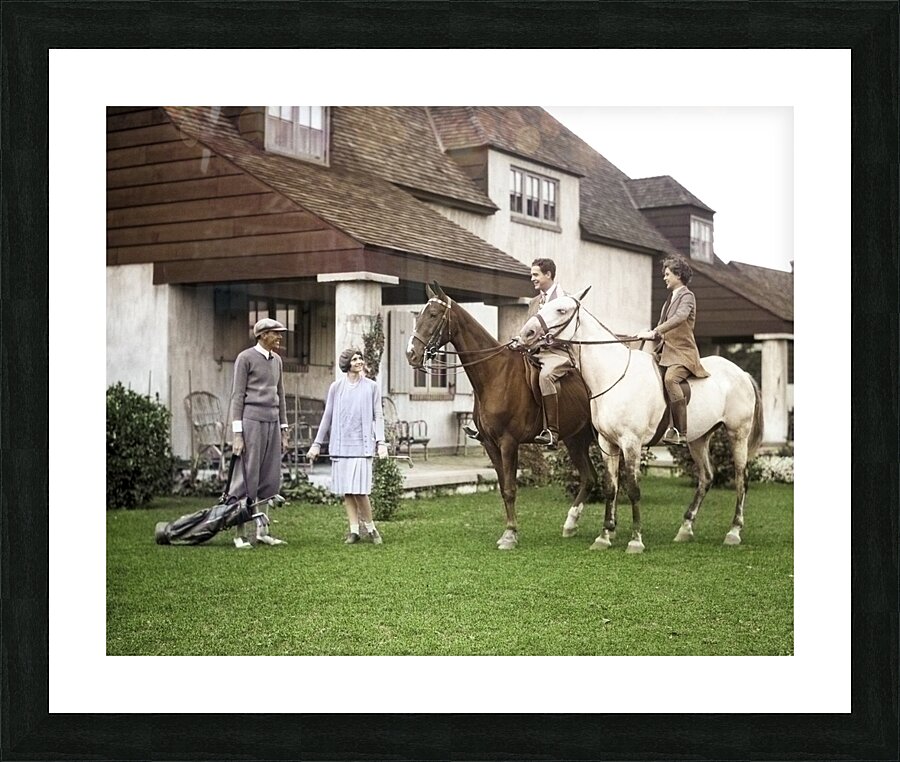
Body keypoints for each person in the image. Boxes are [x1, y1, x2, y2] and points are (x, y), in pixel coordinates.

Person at [463, 258, 572, 448]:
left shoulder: (564, 300)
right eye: (531, 275)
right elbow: (530, 330)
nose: (532, 279)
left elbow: (567, 332)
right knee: (498, 372)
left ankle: (552, 431)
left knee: (545, 377)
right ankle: (482, 424)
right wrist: (519, 340)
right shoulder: (534, 302)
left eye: (536, 275)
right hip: (534, 353)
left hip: (557, 353)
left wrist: (540, 341)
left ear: (548, 274)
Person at [307, 348, 389, 545]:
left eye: (360, 358)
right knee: (348, 491)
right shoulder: (336, 388)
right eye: (354, 359)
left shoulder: (371, 387)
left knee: (360, 491)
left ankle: (371, 528)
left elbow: (378, 416)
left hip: (362, 447)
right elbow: (327, 416)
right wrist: (316, 444)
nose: (359, 361)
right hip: (341, 446)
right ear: (346, 364)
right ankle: (354, 531)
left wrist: (381, 443)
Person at [229, 317, 291, 548]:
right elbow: (237, 396)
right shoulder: (245, 358)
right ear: (263, 335)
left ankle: (262, 532)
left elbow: (280, 395)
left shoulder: (277, 361)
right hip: (251, 423)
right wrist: (238, 434)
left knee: (269, 477)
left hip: (272, 422)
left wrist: (284, 428)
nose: (280, 337)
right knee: (247, 477)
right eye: (276, 333)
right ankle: (240, 534)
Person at [637, 256, 710, 445]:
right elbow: (663, 326)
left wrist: (656, 331)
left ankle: (680, 431)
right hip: (665, 352)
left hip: (682, 354)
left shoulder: (687, 297)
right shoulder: (669, 299)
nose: (664, 278)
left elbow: (680, 317)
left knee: (671, 380)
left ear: (678, 275)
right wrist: (647, 334)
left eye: (667, 274)